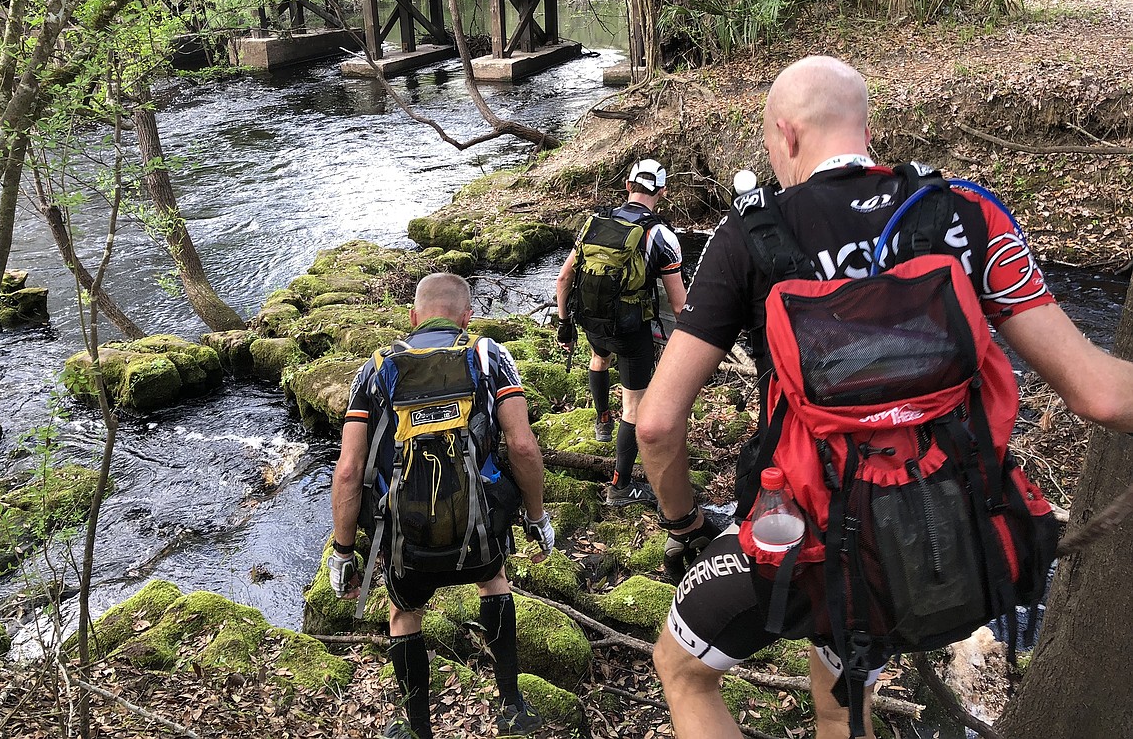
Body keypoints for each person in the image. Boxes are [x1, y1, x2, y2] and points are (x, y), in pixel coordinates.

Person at [635, 55, 1133, 739]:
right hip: (931, 538)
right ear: (867, 129)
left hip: (803, 537)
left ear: (785, 135)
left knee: (682, 668)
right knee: (843, 706)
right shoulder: (964, 214)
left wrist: (682, 524)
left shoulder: (748, 236)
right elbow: (1103, 395)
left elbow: (658, 423)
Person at [329, 273, 555, 739]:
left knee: (404, 614)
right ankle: (511, 705)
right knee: (494, 582)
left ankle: (418, 729)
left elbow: (349, 470)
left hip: (406, 539)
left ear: (412, 317)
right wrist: (537, 517)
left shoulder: (375, 368)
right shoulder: (489, 356)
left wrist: (343, 550)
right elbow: (523, 447)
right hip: (479, 529)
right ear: (467, 316)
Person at [554, 158, 687, 507]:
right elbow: (678, 305)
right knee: (635, 406)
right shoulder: (661, 235)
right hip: (630, 331)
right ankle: (621, 486)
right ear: (662, 192)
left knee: (599, 357)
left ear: (627, 187)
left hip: (590, 321)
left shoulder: (594, 224)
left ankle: (601, 422)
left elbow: (564, 279)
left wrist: (564, 324)